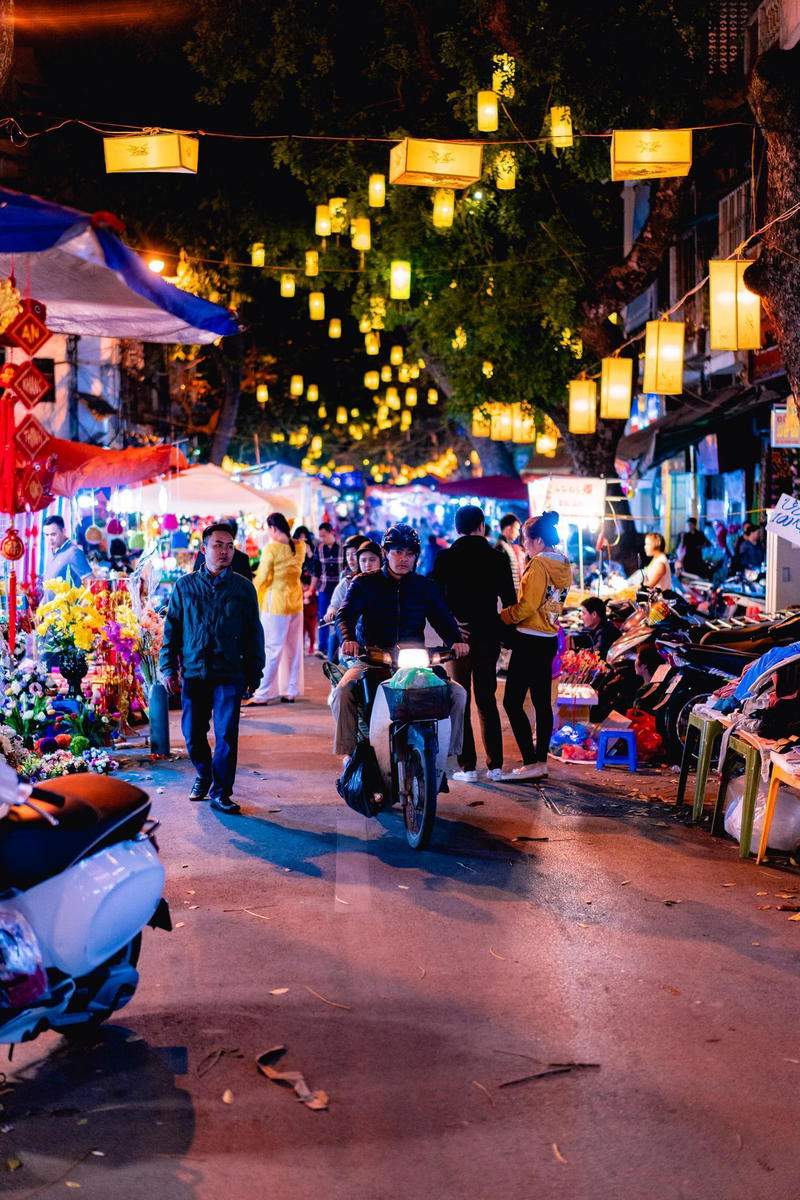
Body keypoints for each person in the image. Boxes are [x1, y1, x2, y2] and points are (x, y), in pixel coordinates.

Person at [332, 524, 469, 757]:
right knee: (343, 691)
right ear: (385, 553)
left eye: (409, 553)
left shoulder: (425, 587)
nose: (403, 558)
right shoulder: (364, 583)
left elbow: (442, 618)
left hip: (415, 663)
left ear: (416, 556)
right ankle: (352, 754)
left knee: (458, 694)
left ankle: (448, 754)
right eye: (397, 552)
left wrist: (456, 641)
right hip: (371, 658)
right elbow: (345, 615)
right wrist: (349, 639)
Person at [160, 523, 265, 814]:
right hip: (194, 673)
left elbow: (254, 633)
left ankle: (221, 791)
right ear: (204, 549)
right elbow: (172, 631)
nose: (224, 551)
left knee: (226, 733)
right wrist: (169, 668)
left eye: (230, 546)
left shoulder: (243, 588)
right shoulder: (185, 586)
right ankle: (204, 774)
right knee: (193, 734)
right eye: (218, 545)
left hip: (230, 673)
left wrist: (254, 673)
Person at [432, 504, 516, 782]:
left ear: (457, 528)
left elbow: (434, 599)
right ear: (482, 525)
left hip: (458, 640)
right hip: (487, 637)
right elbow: (510, 601)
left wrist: (453, 624)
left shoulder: (445, 558)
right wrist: (501, 630)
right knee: (487, 699)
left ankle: (467, 766)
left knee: (462, 700)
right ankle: (495, 766)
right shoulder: (496, 558)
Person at [500, 511, 572, 781]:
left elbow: (527, 606)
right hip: (548, 638)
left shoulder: (539, 564)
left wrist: (504, 615)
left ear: (539, 541)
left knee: (512, 702)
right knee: (542, 703)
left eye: (526, 540)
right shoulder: (563, 563)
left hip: (529, 637)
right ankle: (540, 761)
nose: (523, 544)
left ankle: (531, 762)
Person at [244, 513, 304, 706]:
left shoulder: (272, 548)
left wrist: (248, 590)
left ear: (273, 529)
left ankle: (262, 693)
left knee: (272, 648)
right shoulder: (300, 547)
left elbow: (262, 577)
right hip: (296, 601)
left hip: (276, 603)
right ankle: (290, 691)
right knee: (293, 649)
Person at [323, 534, 366, 661]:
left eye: (354, 554)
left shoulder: (382, 578)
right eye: (348, 555)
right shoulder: (347, 580)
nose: (351, 559)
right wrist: (331, 612)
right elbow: (336, 603)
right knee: (336, 639)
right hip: (353, 632)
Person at [309, 522, 342, 659]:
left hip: (339, 589)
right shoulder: (319, 549)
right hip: (324, 588)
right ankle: (322, 648)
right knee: (323, 618)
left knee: (340, 619)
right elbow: (316, 572)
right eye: (320, 536)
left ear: (331, 533)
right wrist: (311, 588)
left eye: (324, 535)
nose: (322, 538)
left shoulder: (342, 548)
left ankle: (337, 646)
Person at [43, 514, 91, 585]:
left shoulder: (73, 553)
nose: (49, 539)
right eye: (46, 535)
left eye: (53, 534)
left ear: (63, 531)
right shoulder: (52, 551)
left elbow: (90, 582)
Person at [293, 526, 318, 654]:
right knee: (300, 623)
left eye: (305, 536)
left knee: (311, 620)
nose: (303, 539)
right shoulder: (293, 552)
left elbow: (315, 570)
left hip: (310, 590)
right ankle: (300, 646)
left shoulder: (312, 552)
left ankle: (311, 646)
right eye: (300, 536)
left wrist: (309, 553)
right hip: (297, 589)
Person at [579, 596, 621, 660]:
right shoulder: (603, 629)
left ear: (594, 614)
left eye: (584, 613)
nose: (581, 617)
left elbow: (595, 659)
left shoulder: (605, 633)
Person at [496, 513, 525, 591]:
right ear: (508, 528)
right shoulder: (501, 547)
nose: (518, 534)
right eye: (516, 529)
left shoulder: (506, 546)